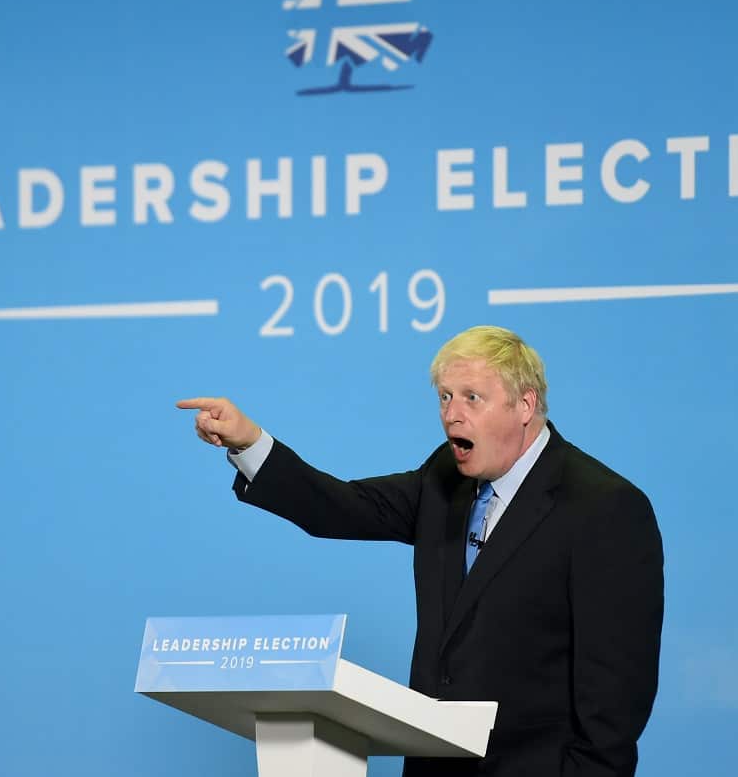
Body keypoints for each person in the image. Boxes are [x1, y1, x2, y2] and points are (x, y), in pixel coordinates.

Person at [177, 326, 663, 777]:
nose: (453, 413)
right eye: (446, 397)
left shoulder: (604, 509)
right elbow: (343, 507)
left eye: (472, 397)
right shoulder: (444, 478)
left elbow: (614, 709)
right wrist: (251, 444)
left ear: (525, 405)